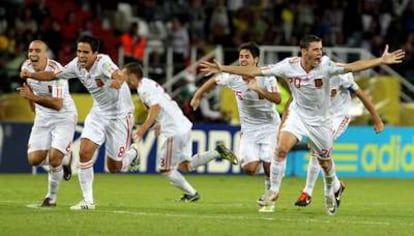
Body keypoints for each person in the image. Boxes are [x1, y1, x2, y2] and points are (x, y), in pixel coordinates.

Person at [200, 34, 404, 215]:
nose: (320, 53)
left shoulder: (326, 66)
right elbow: (256, 71)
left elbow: (353, 66)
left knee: (324, 161)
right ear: (304, 51)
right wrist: (222, 68)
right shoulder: (288, 66)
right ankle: (273, 191)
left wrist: (380, 60)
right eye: (315, 50)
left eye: (321, 49)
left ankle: (333, 184)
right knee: (280, 149)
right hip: (298, 115)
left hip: (321, 121)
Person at [20, 35, 139, 210]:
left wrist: (116, 80)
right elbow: (53, 75)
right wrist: (31, 74)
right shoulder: (76, 65)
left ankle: (133, 154)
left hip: (120, 116)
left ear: (95, 53)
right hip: (98, 112)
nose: (81, 55)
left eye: (85, 52)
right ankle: (88, 201)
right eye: (79, 51)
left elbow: (118, 74)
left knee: (114, 167)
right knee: (84, 152)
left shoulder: (103, 62)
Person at [122, 62, 238, 202]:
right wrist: (158, 122)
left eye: (125, 75)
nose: (124, 79)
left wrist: (143, 128)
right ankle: (217, 152)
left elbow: (156, 107)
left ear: (133, 76)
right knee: (185, 165)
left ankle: (191, 194)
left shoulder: (143, 88)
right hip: (182, 124)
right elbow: (161, 103)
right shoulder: (148, 83)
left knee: (165, 169)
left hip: (173, 130)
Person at [190, 42, 281, 205]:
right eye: (241, 57)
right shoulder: (233, 77)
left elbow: (278, 99)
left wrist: (258, 89)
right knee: (250, 169)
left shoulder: (267, 76)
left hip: (270, 126)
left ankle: (270, 194)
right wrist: (197, 95)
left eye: (247, 56)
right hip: (249, 128)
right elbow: (214, 81)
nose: (243, 59)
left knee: (269, 166)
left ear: (256, 59)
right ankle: (266, 164)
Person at [294, 61, 385, 207]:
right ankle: (336, 186)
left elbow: (361, 94)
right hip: (321, 118)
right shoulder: (308, 76)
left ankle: (308, 192)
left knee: (317, 150)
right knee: (318, 152)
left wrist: (376, 118)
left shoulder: (341, 73)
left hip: (339, 116)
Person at [17, 40, 77, 207]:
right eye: (30, 50)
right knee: (34, 160)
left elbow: (57, 105)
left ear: (45, 54)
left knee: (54, 158)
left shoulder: (57, 71)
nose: (33, 54)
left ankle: (51, 197)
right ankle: (65, 159)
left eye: (37, 50)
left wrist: (33, 98)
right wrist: (33, 109)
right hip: (43, 117)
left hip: (63, 116)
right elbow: (29, 89)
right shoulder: (26, 67)